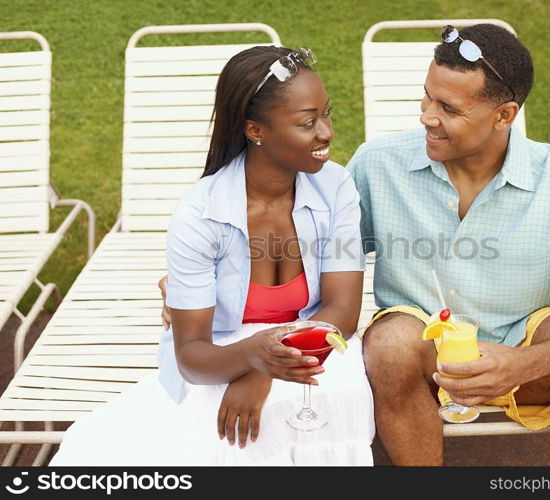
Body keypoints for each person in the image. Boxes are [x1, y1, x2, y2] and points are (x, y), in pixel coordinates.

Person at [345, 24, 550, 466]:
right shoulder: (376, 164)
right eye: (427, 97)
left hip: (526, 360)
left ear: (504, 115)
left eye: (449, 108)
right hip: (419, 366)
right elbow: (320, 261)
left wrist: (521, 364)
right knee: (391, 341)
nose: (426, 117)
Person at [50, 46, 374, 466]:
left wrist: (264, 367)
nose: (326, 132)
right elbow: (192, 354)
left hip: (309, 340)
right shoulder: (200, 216)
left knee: (339, 394)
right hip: (223, 351)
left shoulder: (337, 189)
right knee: (224, 424)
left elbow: (343, 313)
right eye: (307, 122)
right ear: (255, 130)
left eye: (326, 115)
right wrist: (250, 359)